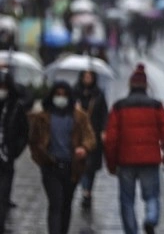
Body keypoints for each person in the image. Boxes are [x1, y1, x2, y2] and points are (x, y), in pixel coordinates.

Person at [104, 63, 164, 234]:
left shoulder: (119, 107)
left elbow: (110, 139)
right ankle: (150, 219)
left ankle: (131, 231)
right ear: (146, 86)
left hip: (125, 161)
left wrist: (112, 165)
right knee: (152, 196)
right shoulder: (156, 106)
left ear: (130, 85)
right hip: (150, 160)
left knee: (127, 200)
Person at [29, 81, 96, 234]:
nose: (61, 98)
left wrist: (84, 148)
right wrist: (41, 157)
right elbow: (33, 140)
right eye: (57, 94)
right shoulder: (43, 117)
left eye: (64, 94)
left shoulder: (79, 117)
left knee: (66, 204)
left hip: (71, 168)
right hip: (50, 166)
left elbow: (90, 137)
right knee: (55, 203)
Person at [74, 70, 108, 210]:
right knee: (81, 164)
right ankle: (85, 190)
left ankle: (88, 191)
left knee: (91, 166)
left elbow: (104, 113)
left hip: (93, 134)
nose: (87, 79)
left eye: (90, 76)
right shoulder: (74, 93)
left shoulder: (98, 94)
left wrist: (103, 130)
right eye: (85, 76)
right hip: (77, 134)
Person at [0, 70, 29, 234]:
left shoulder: (15, 108)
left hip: (6, 159)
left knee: (2, 196)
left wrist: (13, 152)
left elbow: (23, 133)